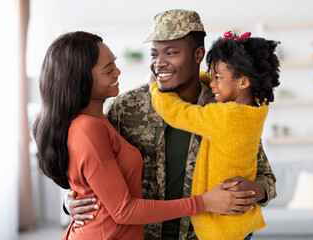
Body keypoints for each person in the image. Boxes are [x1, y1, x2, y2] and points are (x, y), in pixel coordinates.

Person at [65, 9, 277, 240]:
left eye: (171, 53)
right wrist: (72, 201)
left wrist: (253, 191)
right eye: (154, 54)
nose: (160, 63)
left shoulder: (225, 109)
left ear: (198, 55)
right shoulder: (126, 107)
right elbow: (93, 167)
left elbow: (266, 177)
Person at [149, 31, 280, 239]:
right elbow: (223, 81)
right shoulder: (254, 108)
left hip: (220, 227)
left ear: (243, 82)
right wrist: (201, 77)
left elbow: (178, 113)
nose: (212, 83)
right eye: (211, 76)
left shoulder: (226, 116)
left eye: (217, 78)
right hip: (239, 225)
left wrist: (155, 89)